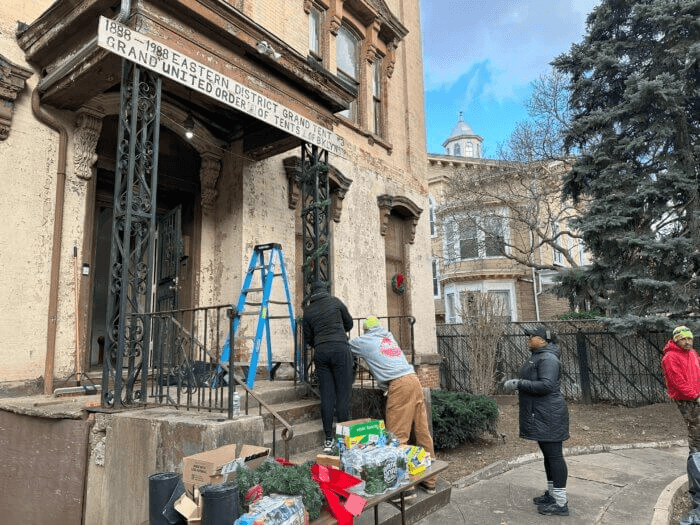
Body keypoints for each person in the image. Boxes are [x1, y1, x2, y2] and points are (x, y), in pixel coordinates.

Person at [348, 316, 437, 494]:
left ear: (366, 330)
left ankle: (404, 488)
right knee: (421, 432)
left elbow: (345, 346)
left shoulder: (364, 341)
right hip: (414, 380)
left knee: (397, 437)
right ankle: (430, 480)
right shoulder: (388, 337)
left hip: (399, 384)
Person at [502, 326, 570, 516]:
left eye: (533, 336)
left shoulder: (548, 358)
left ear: (544, 340)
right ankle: (553, 494)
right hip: (541, 414)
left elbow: (547, 385)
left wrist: (518, 383)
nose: (529, 339)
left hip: (549, 414)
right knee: (548, 456)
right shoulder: (539, 356)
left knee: (554, 456)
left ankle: (561, 502)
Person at [302, 281, 354, 454]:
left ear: (312, 294)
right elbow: (349, 323)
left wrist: (320, 340)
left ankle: (329, 440)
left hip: (321, 352)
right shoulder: (335, 302)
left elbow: (308, 338)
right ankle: (344, 440)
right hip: (340, 349)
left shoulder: (307, 311)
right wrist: (339, 331)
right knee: (343, 394)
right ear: (325, 290)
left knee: (327, 395)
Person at [661, 326, 700, 525]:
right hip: (688, 401)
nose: (687, 341)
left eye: (689, 338)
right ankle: (697, 467)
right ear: (676, 340)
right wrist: (695, 396)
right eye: (683, 339)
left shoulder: (692, 353)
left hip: (697, 398)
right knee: (696, 435)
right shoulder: (670, 357)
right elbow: (677, 382)